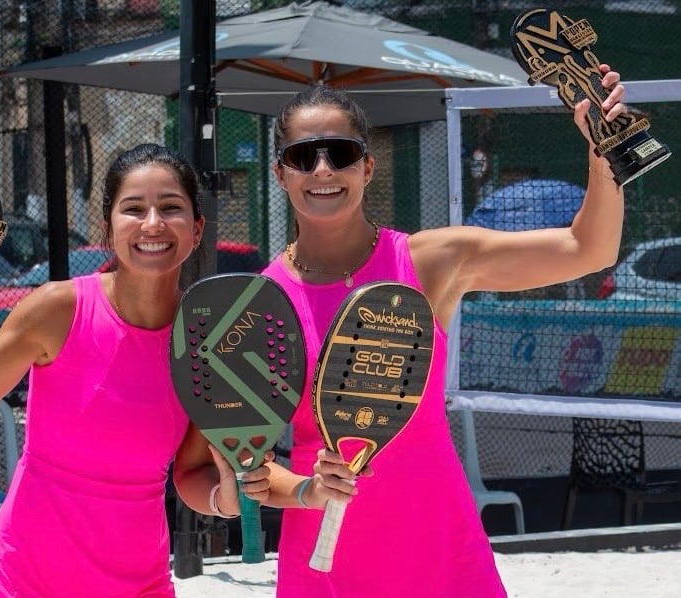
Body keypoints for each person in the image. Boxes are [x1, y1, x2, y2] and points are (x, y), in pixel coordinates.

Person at [259, 66, 626, 598]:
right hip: (327, 559)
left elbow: (588, 249)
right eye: (302, 156)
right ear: (280, 173)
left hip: (436, 545)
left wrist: (602, 150)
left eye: (339, 153)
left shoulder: (430, 261)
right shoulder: (262, 302)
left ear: (367, 167)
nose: (322, 170)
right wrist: (307, 489)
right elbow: (245, 467)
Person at [0, 144, 272, 597]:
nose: (152, 223)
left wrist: (226, 498)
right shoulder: (57, 308)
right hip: (20, 580)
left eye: (171, 208)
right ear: (107, 226)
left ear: (197, 227)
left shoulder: (208, 341)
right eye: (133, 209)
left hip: (138, 584)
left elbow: (191, 473)